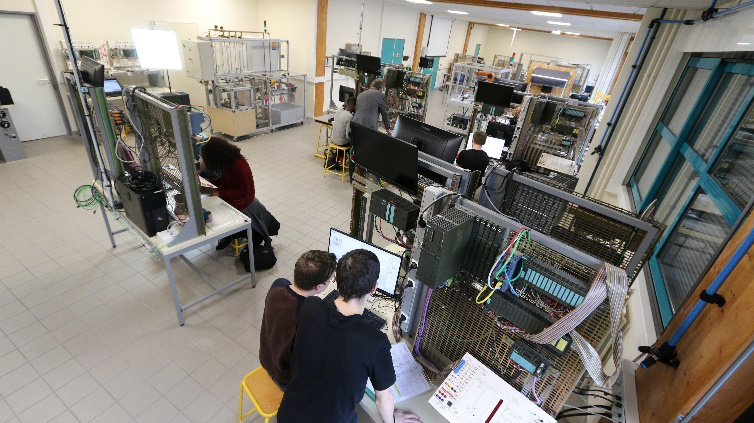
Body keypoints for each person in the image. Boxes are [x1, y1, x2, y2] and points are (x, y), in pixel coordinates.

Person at [277, 250, 422, 423]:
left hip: (288, 414)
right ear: (374, 288)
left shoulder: (310, 306)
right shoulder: (375, 342)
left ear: (337, 280)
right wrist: (392, 420)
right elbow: (383, 401)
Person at [259, 250, 336, 389]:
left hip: (267, 360)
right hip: (285, 379)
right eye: (330, 281)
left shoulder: (278, 285)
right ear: (319, 287)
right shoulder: (308, 315)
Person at [198, 137, 256, 250]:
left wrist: (218, 193)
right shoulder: (228, 161)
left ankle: (228, 234)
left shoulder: (238, 164)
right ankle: (227, 234)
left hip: (244, 198)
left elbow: (244, 191)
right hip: (232, 189)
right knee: (211, 201)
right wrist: (210, 183)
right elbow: (225, 179)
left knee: (216, 209)